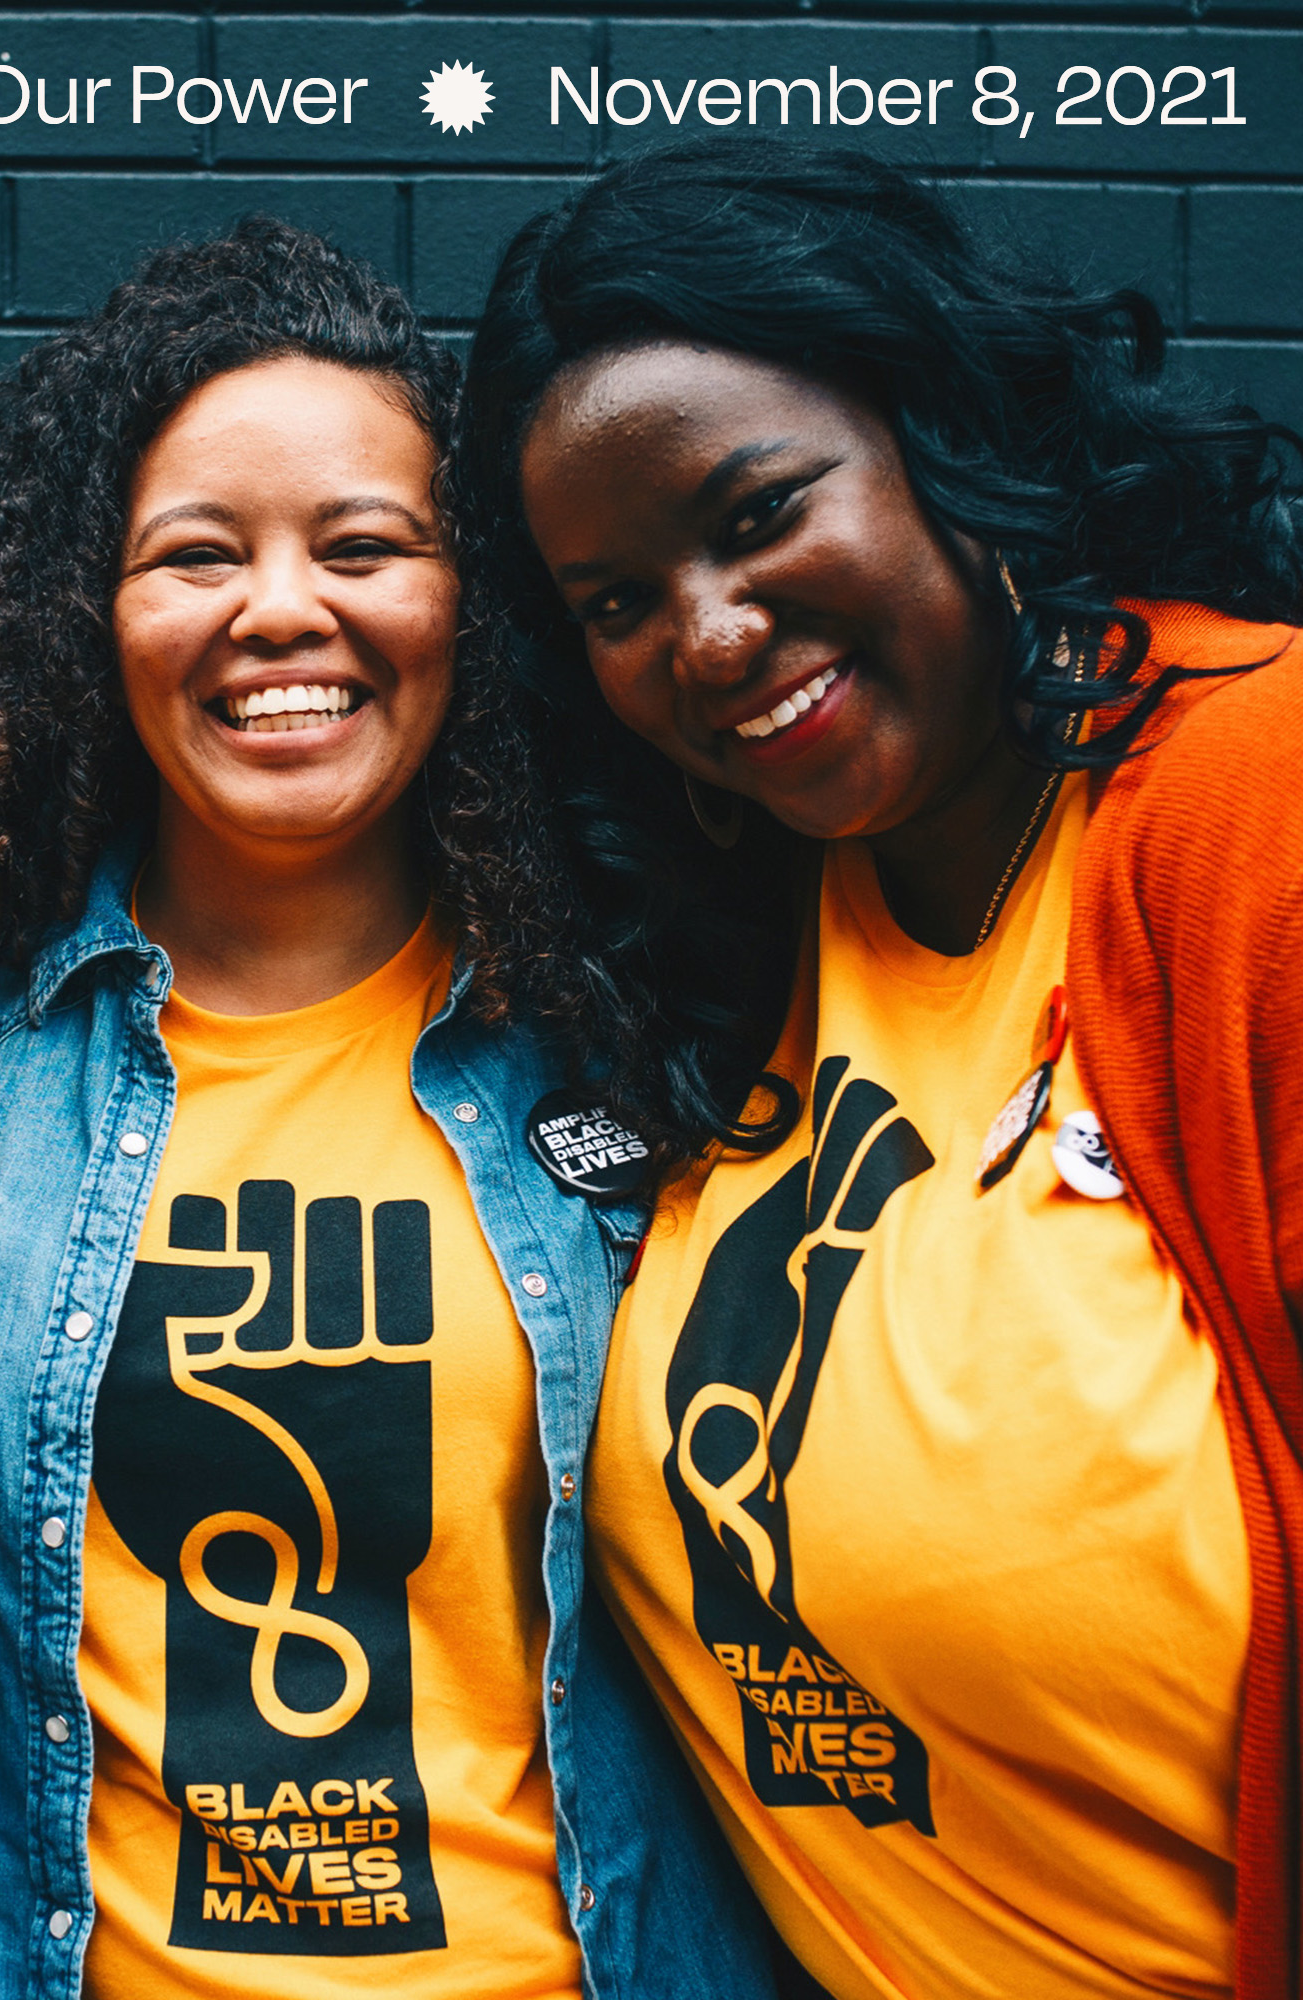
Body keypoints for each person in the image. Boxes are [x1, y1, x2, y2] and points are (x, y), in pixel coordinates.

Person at [0, 217, 775, 1999]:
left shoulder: (645, 1038)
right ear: (89, 610)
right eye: (195, 554)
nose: (283, 609)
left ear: (471, 602)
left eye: (364, 545)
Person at [464, 137, 1303, 2000]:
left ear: (941, 426)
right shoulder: (747, 936)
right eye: (616, 604)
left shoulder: (1255, 809)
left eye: (759, 511)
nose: (709, 632)